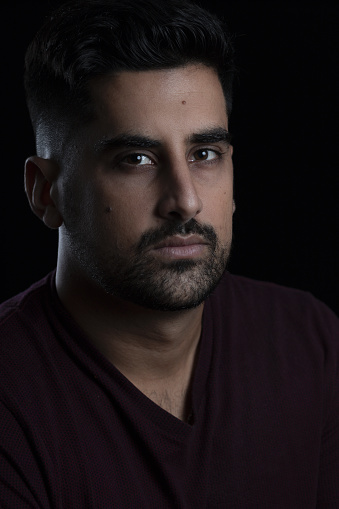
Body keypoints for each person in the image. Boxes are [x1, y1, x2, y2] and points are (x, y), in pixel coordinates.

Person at [0, 0, 338, 506]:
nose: (185, 199)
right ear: (46, 193)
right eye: (135, 159)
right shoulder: (11, 399)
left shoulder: (309, 341)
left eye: (205, 154)